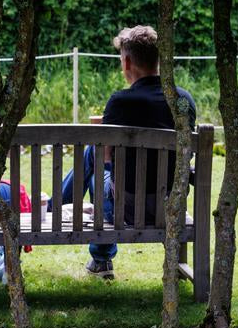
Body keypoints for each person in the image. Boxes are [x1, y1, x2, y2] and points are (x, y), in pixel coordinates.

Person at [56, 25, 197, 279]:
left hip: (127, 211)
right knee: (96, 157)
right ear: (158, 60)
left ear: (127, 62)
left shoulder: (120, 102)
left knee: (94, 155)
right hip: (171, 206)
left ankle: (61, 213)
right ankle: (59, 206)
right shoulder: (184, 99)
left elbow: (106, 158)